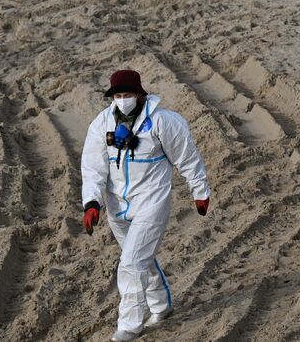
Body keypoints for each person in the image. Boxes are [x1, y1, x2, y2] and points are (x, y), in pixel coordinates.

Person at [81, 69, 211, 342]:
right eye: (118, 95)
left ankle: (129, 326)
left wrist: (199, 191)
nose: (123, 100)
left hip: (151, 202)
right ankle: (161, 306)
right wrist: (92, 202)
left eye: (128, 95)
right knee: (141, 258)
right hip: (117, 206)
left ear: (140, 94)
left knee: (130, 263)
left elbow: (187, 158)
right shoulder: (101, 123)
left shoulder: (164, 122)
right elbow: (93, 167)